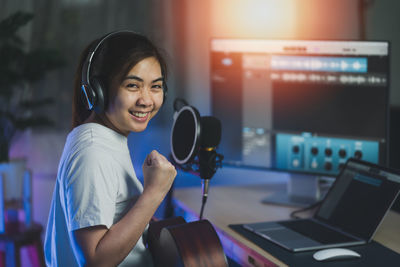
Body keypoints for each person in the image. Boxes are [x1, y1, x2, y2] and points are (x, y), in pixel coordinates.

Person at [44, 31, 177, 266]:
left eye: (155, 87)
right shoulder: (93, 152)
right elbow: (96, 261)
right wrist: (155, 192)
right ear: (99, 92)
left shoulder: (104, 139)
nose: (146, 100)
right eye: (132, 85)